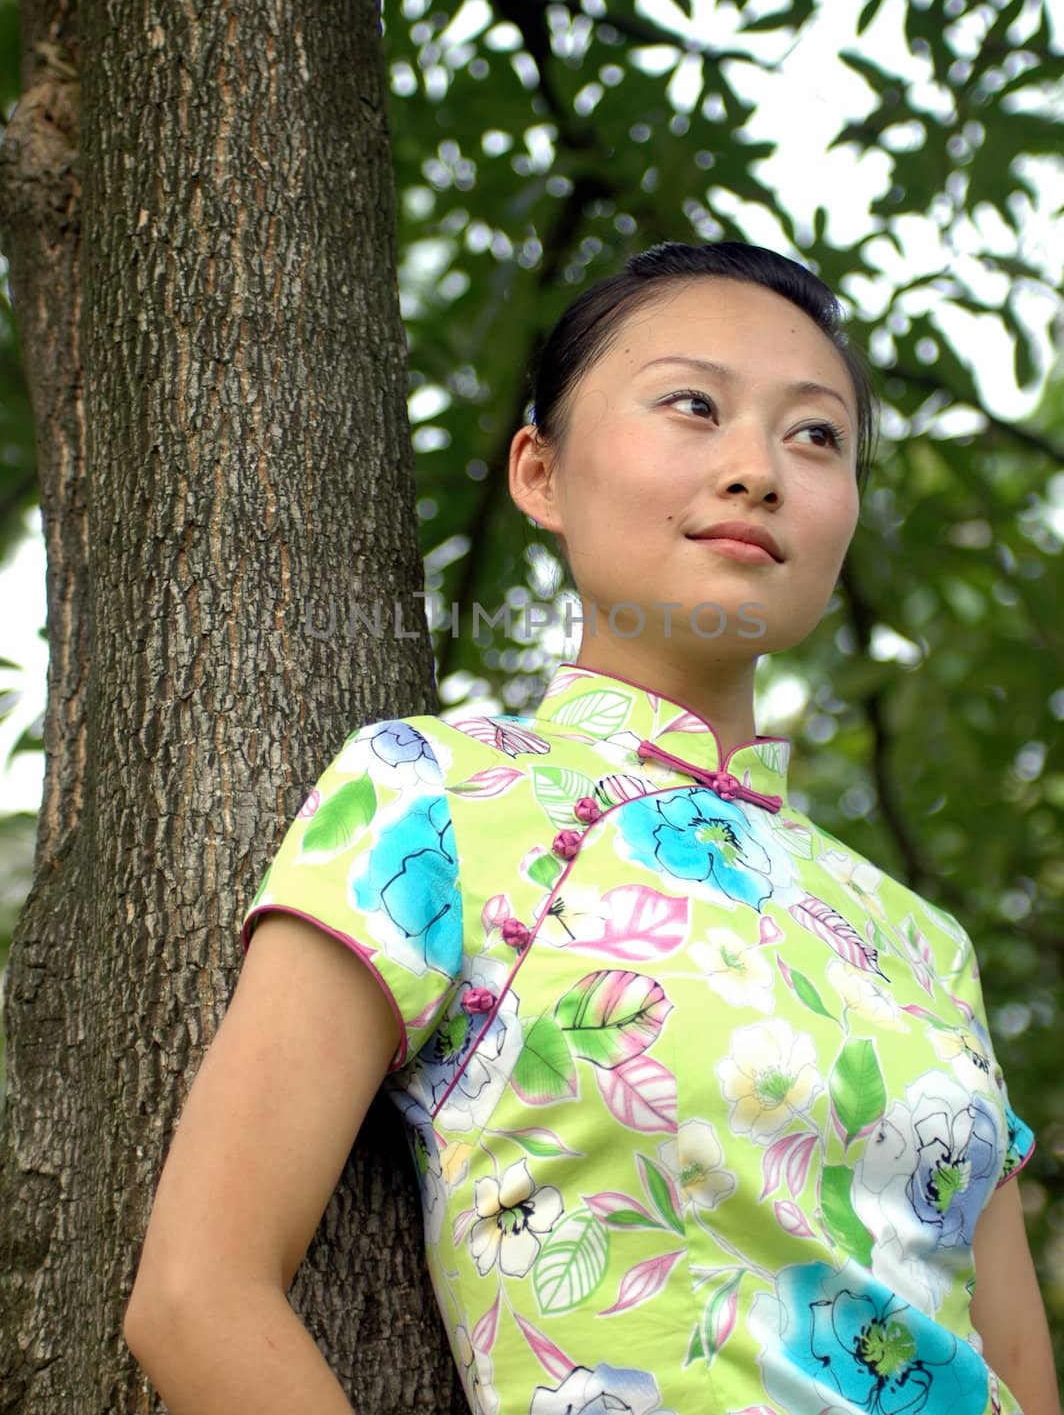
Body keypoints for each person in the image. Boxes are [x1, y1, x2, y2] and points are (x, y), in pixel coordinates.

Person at [123, 241, 1059, 1415]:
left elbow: (1020, 1377)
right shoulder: (435, 793)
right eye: (692, 405)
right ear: (538, 471)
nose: (756, 469)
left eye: (814, 435)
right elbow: (197, 1293)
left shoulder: (921, 941)